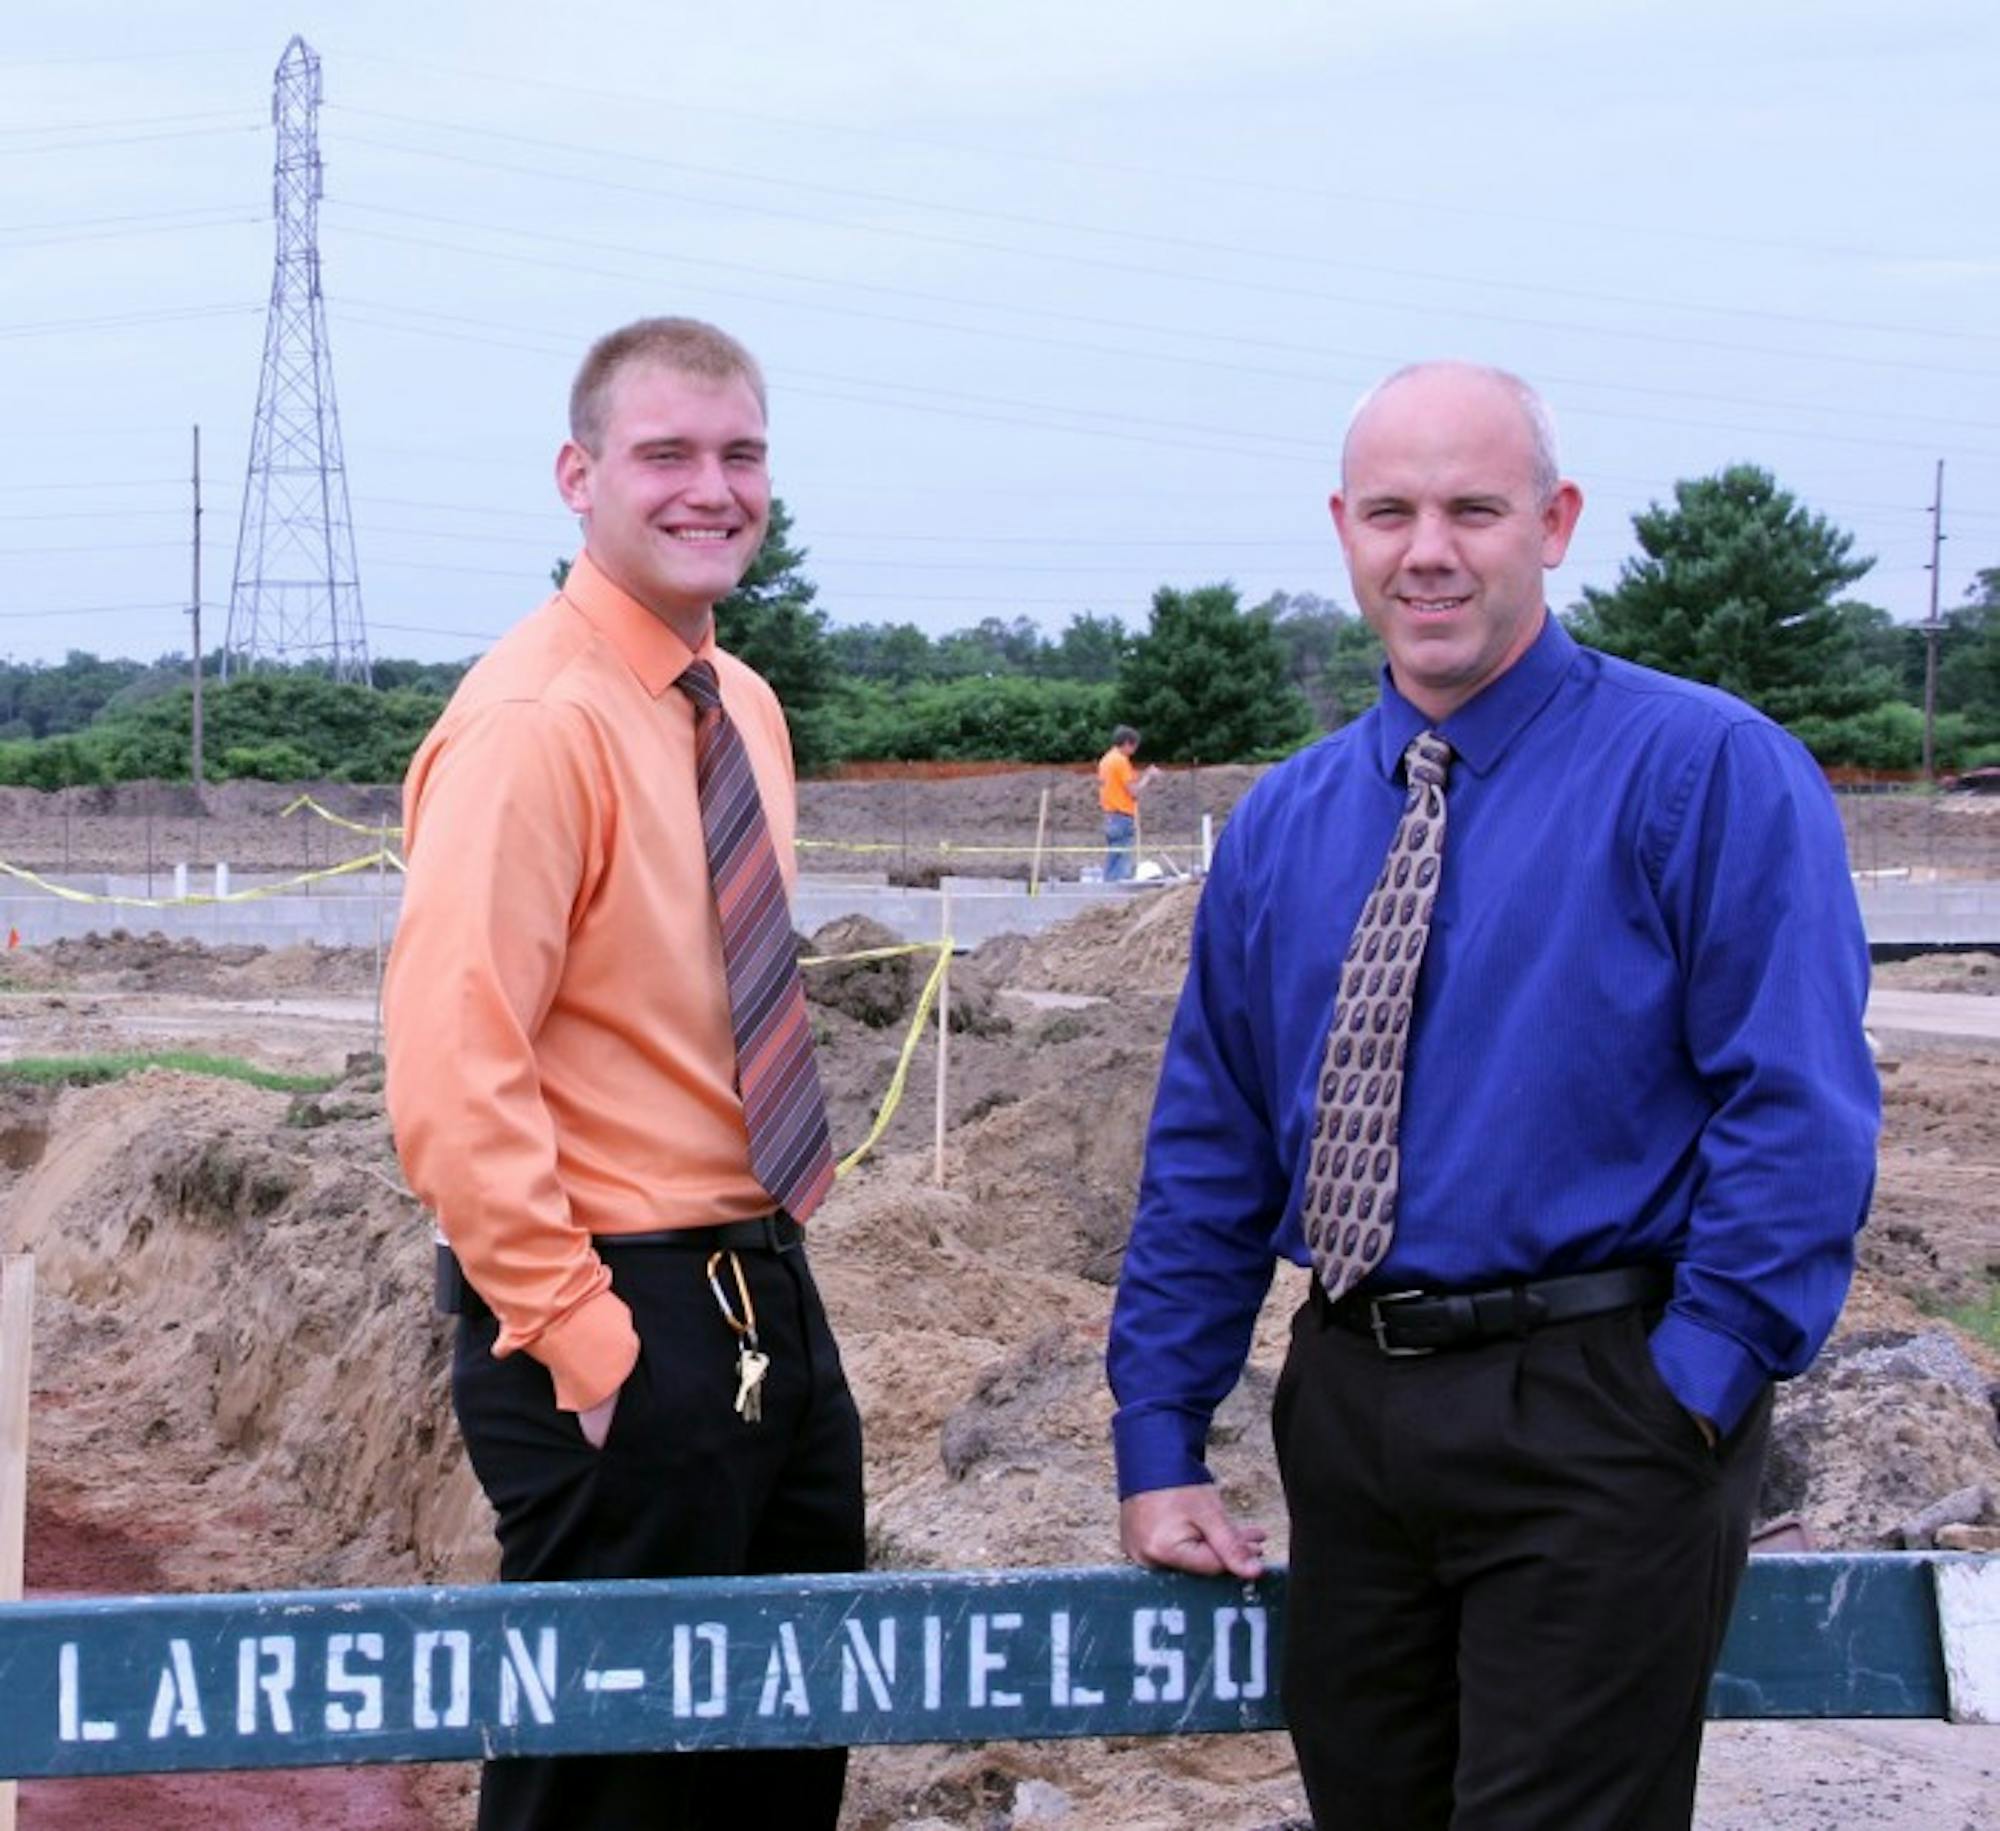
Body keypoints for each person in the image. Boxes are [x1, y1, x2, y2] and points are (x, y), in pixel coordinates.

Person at [1107, 360, 1879, 1830]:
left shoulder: (1708, 772)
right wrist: (1161, 1430)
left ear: (1555, 519)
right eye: (1391, 511)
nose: (1429, 549)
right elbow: (1209, 1143)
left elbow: (1797, 1110)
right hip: (1349, 1406)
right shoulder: (1289, 820)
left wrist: (1695, 1386)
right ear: (1344, 528)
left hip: (1603, 1407)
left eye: (1474, 506)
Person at [383, 317, 864, 1831]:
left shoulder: (745, 707)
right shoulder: (536, 721)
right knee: (608, 1790)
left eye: (740, 454)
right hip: (615, 1300)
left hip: (763, 1278)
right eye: (667, 453)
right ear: (579, 475)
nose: (709, 487)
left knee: (784, 1751)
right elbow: (458, 1060)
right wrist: (580, 1343)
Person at [1097, 724, 1158, 881]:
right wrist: (1148, 777)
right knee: (1122, 858)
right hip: (1121, 815)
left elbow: (1122, 782)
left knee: (1114, 856)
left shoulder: (1106, 760)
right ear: (1127, 743)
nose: (1134, 751)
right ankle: (1119, 896)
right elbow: (1134, 791)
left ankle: (1108, 890)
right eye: (1134, 746)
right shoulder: (1121, 761)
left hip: (1110, 815)